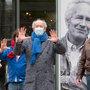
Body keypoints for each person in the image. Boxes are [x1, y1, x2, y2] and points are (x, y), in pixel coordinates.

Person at [14, 19, 66, 90]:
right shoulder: (27, 41)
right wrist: (19, 41)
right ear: (33, 28)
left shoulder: (50, 40)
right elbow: (17, 53)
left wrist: (57, 41)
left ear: (44, 29)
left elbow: (62, 51)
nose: (38, 28)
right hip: (32, 80)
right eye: (36, 26)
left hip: (46, 80)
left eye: (41, 26)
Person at [60, 0, 90, 90]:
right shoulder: (53, 47)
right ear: (68, 21)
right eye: (79, 17)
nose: (83, 24)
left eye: (88, 20)